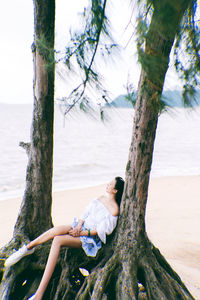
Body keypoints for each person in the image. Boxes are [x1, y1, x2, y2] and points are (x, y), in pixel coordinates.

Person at [5, 177, 124, 300]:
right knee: (56, 230)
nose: (107, 184)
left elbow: (101, 231)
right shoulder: (101, 198)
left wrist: (82, 233)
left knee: (58, 240)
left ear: (115, 190)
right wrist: (78, 226)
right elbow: (86, 213)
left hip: (89, 239)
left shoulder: (114, 209)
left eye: (110, 184)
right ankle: (28, 247)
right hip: (81, 227)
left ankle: (39, 295)